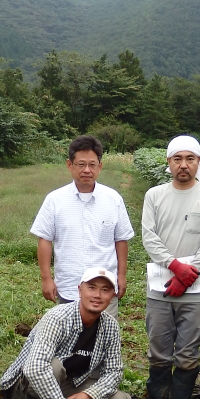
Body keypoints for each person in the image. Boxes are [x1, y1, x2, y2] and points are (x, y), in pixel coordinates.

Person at [142, 135, 200, 399]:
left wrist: (189, 275)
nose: (183, 165)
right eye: (177, 159)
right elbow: (149, 237)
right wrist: (174, 265)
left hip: (196, 288)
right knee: (159, 350)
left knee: (188, 351)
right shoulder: (154, 195)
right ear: (168, 163)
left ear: (199, 162)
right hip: (160, 286)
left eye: (190, 159)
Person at [0, 268, 131, 399]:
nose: (97, 295)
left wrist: (89, 395)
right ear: (79, 290)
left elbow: (114, 373)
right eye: (91, 287)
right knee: (53, 367)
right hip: (28, 386)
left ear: (112, 295)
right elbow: (35, 367)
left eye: (105, 290)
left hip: (72, 384)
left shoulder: (110, 326)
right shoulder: (58, 318)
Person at [30, 135, 134, 319]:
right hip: (69, 286)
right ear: (70, 165)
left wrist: (122, 276)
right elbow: (45, 239)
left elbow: (121, 240)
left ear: (100, 166)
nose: (87, 170)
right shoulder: (55, 200)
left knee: (104, 338)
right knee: (69, 341)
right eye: (81, 164)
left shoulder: (113, 199)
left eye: (92, 165)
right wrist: (46, 279)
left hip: (105, 287)